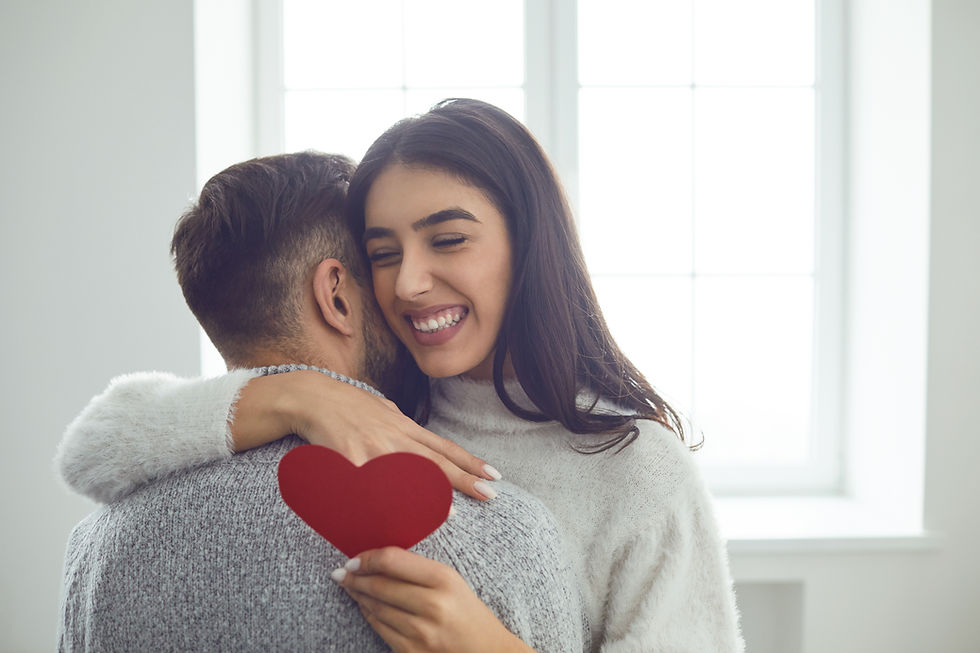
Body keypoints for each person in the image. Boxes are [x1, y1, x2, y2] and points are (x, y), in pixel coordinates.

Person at [58, 99, 744, 651]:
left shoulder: (636, 468)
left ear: (529, 244)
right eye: (382, 254)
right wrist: (296, 390)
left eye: (448, 240)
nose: (410, 283)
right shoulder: (380, 403)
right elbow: (96, 444)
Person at [56, 151, 585, 652]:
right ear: (335, 294)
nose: (405, 288)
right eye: (381, 260)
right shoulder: (501, 537)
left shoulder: (95, 549)